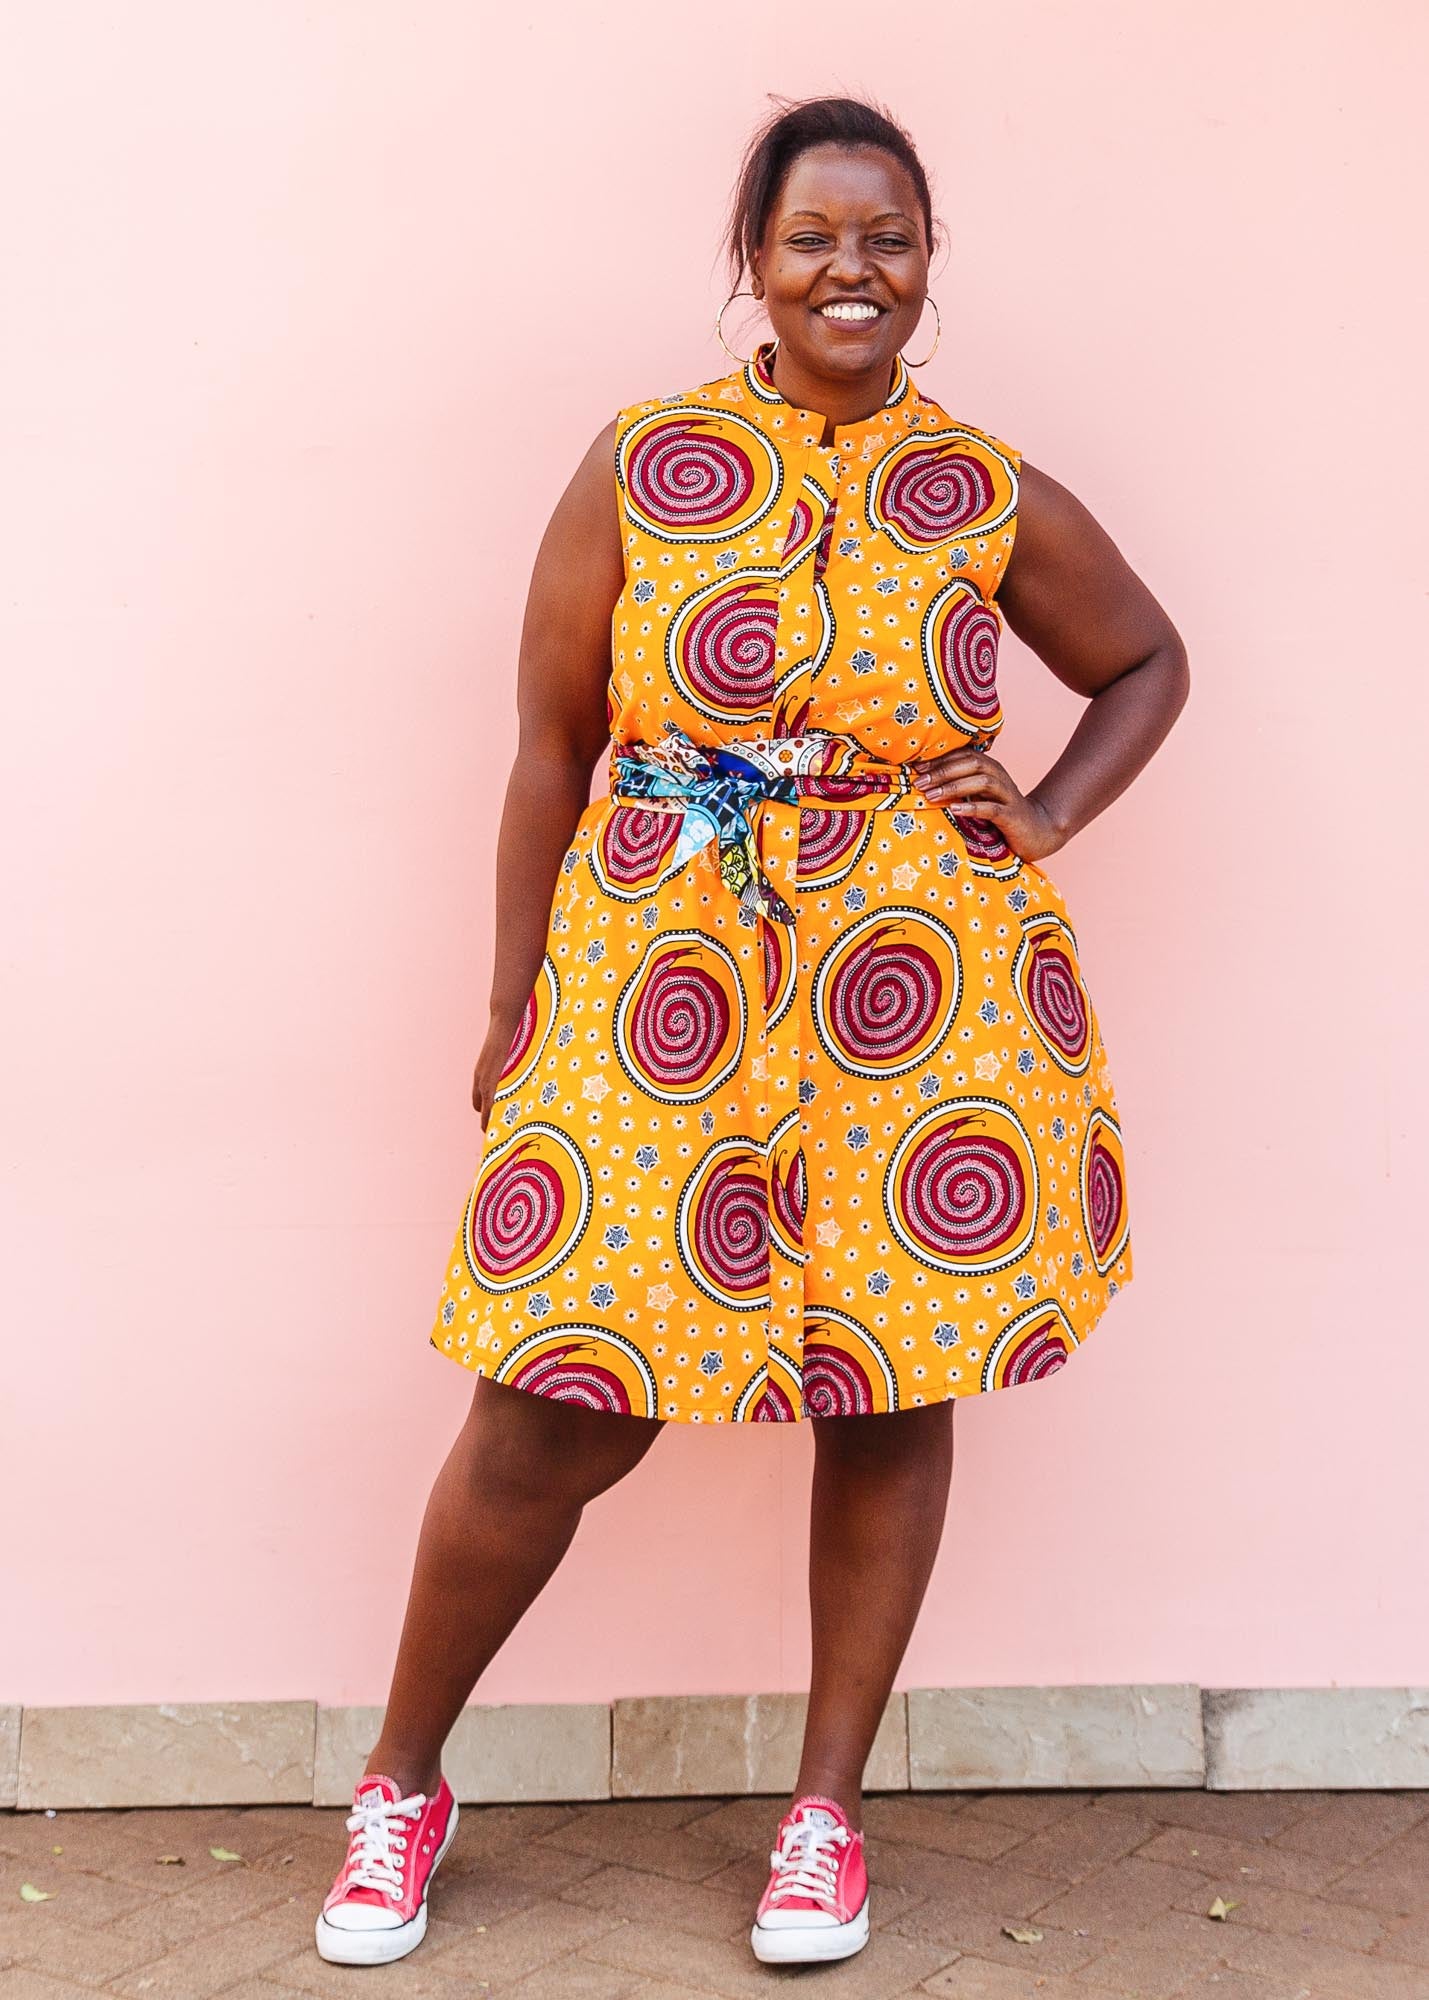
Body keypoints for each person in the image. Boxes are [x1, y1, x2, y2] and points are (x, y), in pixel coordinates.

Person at [314, 93, 1189, 1971]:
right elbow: (551, 747)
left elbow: (1143, 659)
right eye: (812, 237)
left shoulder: (983, 486)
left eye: (885, 237)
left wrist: (1038, 815)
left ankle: (821, 1818)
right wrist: (508, 1002)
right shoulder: (640, 467)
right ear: (752, 260)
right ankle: (399, 1785)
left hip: (918, 995)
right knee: (553, 1398)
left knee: (888, 1387)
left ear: (928, 263)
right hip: (662, 978)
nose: (849, 269)